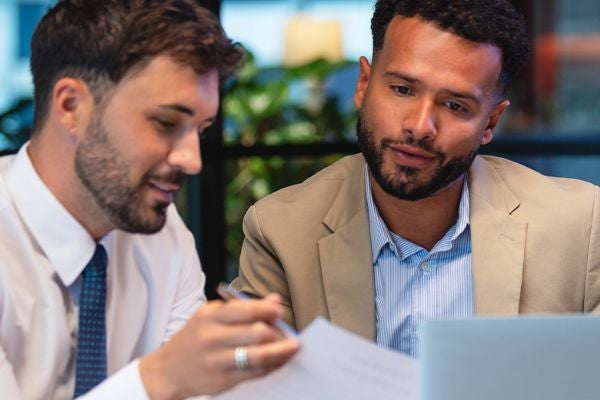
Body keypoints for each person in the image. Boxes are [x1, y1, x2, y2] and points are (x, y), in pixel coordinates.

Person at [232, 0, 600, 358]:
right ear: (363, 84)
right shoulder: (279, 231)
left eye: (455, 105)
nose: (420, 126)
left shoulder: (581, 224)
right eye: (402, 90)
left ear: (490, 122)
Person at [0, 1, 299, 399]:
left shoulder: (164, 235)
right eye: (166, 123)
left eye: (201, 129)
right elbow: (172, 383)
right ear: (71, 106)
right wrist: (158, 380)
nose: (192, 161)